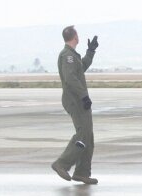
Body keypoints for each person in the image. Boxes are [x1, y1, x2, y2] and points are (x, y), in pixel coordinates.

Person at [51, 26, 99, 185]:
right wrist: (84, 96)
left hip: (79, 99)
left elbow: (81, 68)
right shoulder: (67, 56)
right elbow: (70, 79)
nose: (79, 35)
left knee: (88, 136)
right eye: (77, 33)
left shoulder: (73, 56)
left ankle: (82, 172)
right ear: (74, 37)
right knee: (82, 133)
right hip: (75, 99)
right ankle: (62, 163)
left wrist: (90, 51)